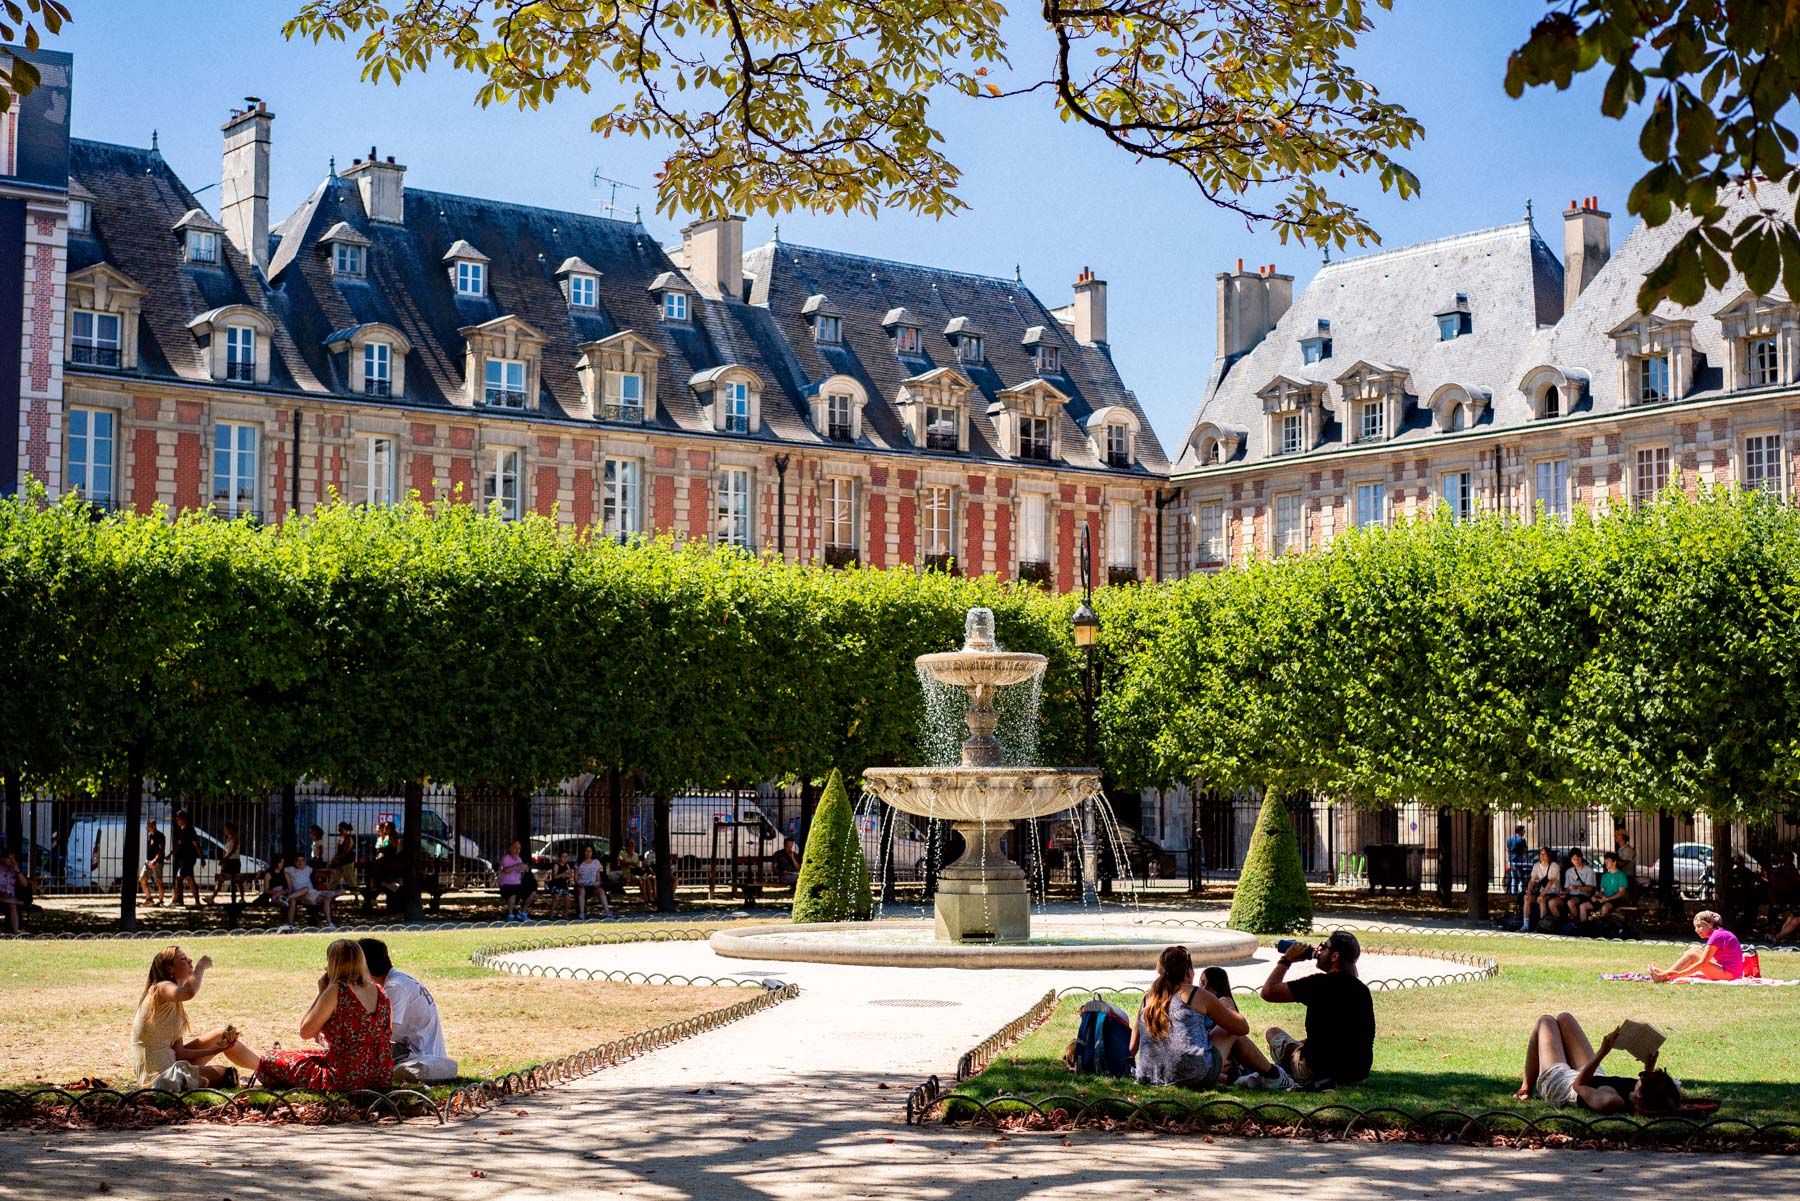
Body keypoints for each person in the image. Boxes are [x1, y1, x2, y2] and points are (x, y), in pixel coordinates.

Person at [244, 939, 394, 1093]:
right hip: (381, 1076)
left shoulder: (337, 990)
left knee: (271, 1058)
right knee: (308, 1054)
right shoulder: (380, 991)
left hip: (344, 1078)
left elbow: (305, 1032)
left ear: (333, 964)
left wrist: (322, 992)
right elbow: (387, 1031)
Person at [1130, 945, 1285, 1091]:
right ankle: (1274, 1076)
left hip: (1150, 1077)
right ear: (1189, 972)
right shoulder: (1193, 993)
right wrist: (1228, 1007)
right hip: (1193, 1076)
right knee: (1228, 1030)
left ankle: (1243, 1078)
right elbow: (1242, 1028)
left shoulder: (1148, 998)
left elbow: (1133, 1046)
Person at [130, 946, 260, 1091]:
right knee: (228, 1075)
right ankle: (269, 1073)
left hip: (172, 1063)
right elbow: (189, 992)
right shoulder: (161, 988)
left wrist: (215, 1050)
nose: (190, 960)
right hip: (159, 1078)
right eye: (183, 959)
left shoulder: (175, 1002)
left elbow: (180, 1053)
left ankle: (267, 1070)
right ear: (169, 968)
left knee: (220, 1035)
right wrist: (201, 966)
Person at [1259, 931, 1376, 1086]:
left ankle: (1286, 1068)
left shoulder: (1318, 984)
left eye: (1323, 947)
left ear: (1335, 956)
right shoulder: (1362, 989)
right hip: (1357, 1074)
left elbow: (1268, 992)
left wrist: (1287, 959)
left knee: (1273, 1033)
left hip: (1317, 1070)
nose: (1319, 950)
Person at [1513, 1013, 1683, 1114]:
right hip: (1594, 1075)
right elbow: (1670, 1096)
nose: (1644, 1075)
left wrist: (1603, 1051)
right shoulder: (1643, 1094)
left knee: (1546, 1021)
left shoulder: (1612, 1101)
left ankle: (1526, 1087)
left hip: (1562, 1085)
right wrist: (1648, 1068)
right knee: (1565, 1018)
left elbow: (1578, 1086)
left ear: (1640, 1094)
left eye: (1644, 1077)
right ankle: (1526, 1086)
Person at [358, 938, 458, 1083]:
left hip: (418, 1058)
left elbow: (386, 1034)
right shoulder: (397, 980)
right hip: (418, 1053)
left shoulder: (395, 987)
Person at [1649, 910, 1743, 981]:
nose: (1696, 930)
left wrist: (1679, 974)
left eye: (1699, 926)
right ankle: (1665, 974)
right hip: (1732, 972)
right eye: (1695, 927)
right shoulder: (1719, 933)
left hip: (1730, 975)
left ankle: (1664, 976)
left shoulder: (1716, 936)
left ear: (1709, 925)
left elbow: (1703, 963)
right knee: (1693, 950)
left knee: (1692, 955)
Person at [282, 852, 340, 930]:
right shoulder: (289, 869)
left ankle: (330, 924)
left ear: (304, 862)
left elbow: (318, 871)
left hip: (312, 893)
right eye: (298, 861)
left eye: (302, 861)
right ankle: (287, 901)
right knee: (305, 889)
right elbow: (279, 871)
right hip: (299, 894)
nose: (300, 863)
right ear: (294, 862)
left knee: (330, 897)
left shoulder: (307, 868)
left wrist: (329, 870)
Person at [1522, 846, 1562, 932]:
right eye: (1540, 854)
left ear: (1548, 856)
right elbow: (1531, 881)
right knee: (1526, 898)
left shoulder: (1554, 866)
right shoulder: (1536, 866)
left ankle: (1541, 926)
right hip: (1542, 891)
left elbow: (1551, 882)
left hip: (1553, 891)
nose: (1542, 856)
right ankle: (1525, 925)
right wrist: (1529, 892)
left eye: (1544, 854)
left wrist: (1541, 895)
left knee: (1542, 899)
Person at [169, 810, 203, 908]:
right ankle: (197, 902)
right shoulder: (183, 830)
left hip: (188, 858)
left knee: (179, 879)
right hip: (186, 858)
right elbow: (179, 844)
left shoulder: (189, 830)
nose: (177, 820)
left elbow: (196, 844)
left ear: (184, 819)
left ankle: (174, 902)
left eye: (178, 818)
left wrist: (202, 857)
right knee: (190, 880)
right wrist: (171, 853)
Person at [497, 840, 536, 921]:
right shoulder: (505, 858)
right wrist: (517, 865)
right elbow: (505, 870)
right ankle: (510, 915)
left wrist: (525, 868)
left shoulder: (519, 859)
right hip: (506, 885)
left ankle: (522, 913)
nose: (517, 850)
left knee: (532, 892)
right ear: (510, 848)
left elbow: (522, 871)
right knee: (513, 892)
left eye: (519, 848)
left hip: (517, 884)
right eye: (515, 848)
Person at [208, 821, 244, 905]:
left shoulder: (236, 838)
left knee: (237, 880)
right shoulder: (228, 839)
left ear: (230, 829)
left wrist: (225, 859)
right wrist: (224, 859)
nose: (225, 831)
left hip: (234, 861)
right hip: (228, 862)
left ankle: (242, 898)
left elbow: (233, 850)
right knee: (221, 879)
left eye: (226, 829)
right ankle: (212, 897)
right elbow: (226, 851)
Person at [1558, 849, 1598, 922]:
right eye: (1574, 859)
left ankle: (1576, 923)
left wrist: (1577, 887)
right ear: (1571, 860)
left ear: (1581, 858)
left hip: (1584, 895)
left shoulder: (1589, 871)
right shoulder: (1569, 871)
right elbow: (1567, 888)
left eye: (1578, 858)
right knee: (1553, 902)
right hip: (1571, 895)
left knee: (1570, 902)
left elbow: (1590, 888)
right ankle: (1560, 923)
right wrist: (1564, 893)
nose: (1576, 860)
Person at [575, 844, 612, 919]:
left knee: (601, 891)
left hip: (593, 885)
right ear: (583, 852)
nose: (588, 853)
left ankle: (607, 912)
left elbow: (598, 876)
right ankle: (582, 913)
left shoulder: (596, 862)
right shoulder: (579, 863)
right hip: (582, 885)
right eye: (586, 851)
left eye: (590, 851)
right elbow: (575, 878)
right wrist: (579, 883)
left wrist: (598, 882)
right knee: (582, 891)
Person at [140, 817, 167, 907]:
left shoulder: (160, 836)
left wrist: (155, 860)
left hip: (157, 862)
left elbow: (161, 850)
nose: (146, 828)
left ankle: (161, 901)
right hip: (148, 861)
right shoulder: (150, 835)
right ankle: (149, 899)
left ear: (153, 826)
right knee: (142, 878)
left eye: (148, 826)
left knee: (158, 881)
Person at [326, 822, 358, 895]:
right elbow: (339, 851)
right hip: (340, 861)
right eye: (339, 829)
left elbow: (345, 851)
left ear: (346, 829)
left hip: (347, 862)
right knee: (334, 877)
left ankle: (356, 894)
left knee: (351, 879)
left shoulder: (349, 838)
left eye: (341, 829)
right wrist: (334, 859)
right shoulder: (341, 838)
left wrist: (337, 858)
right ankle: (328, 892)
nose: (339, 830)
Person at [1596, 852, 1631, 918]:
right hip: (1605, 898)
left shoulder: (1621, 875)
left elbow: (1621, 893)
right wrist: (1597, 896)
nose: (1605, 863)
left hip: (1617, 899)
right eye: (1605, 861)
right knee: (1583, 906)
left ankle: (1604, 926)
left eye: (1608, 861)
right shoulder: (1604, 876)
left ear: (1614, 862)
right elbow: (1602, 891)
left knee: (1605, 907)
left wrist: (1608, 899)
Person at [546, 850, 575, 918]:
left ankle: (565, 914)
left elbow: (570, 875)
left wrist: (567, 875)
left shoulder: (567, 865)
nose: (565, 858)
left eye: (566, 857)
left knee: (568, 898)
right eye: (563, 856)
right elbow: (555, 876)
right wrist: (563, 874)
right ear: (559, 858)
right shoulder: (556, 865)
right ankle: (551, 915)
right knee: (556, 897)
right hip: (555, 884)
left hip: (563, 885)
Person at [1505, 825, 1532, 897]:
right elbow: (1525, 850)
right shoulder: (1522, 840)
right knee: (1521, 878)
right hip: (1519, 861)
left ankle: (1513, 894)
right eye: (1523, 830)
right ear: (1520, 831)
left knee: (1513, 878)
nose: (1524, 832)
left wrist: (1508, 860)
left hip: (1511, 860)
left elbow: (1507, 851)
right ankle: (1522, 894)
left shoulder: (1509, 839)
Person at [0, 850, 21, 934]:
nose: (12, 861)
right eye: (10, 858)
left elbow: (25, 884)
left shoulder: (13, 870)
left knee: (13, 905)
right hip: (2, 897)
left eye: (13, 858)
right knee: (13, 902)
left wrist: (17, 871)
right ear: (2, 859)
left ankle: (15, 931)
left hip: (8, 898)